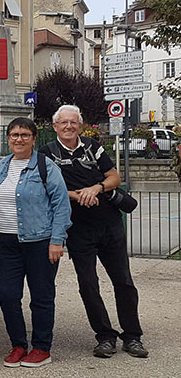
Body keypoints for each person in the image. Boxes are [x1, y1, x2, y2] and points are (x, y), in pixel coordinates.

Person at [39, 104, 148, 359]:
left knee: (123, 281)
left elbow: (114, 178)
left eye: (73, 122)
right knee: (88, 284)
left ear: (80, 125)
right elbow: (44, 188)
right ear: (55, 126)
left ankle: (133, 336)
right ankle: (105, 336)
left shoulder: (93, 146)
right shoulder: (46, 153)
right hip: (77, 228)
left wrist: (96, 188)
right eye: (63, 122)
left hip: (109, 224)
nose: (68, 126)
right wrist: (76, 195)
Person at [0, 118, 71, 369]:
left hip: (40, 241)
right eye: (14, 134)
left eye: (25, 135)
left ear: (34, 139)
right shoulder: (3, 165)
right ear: (8, 138)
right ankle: (18, 344)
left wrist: (57, 240)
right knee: (8, 295)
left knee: (41, 296)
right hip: (7, 241)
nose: (19, 139)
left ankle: (42, 348)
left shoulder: (46, 166)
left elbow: (61, 205)